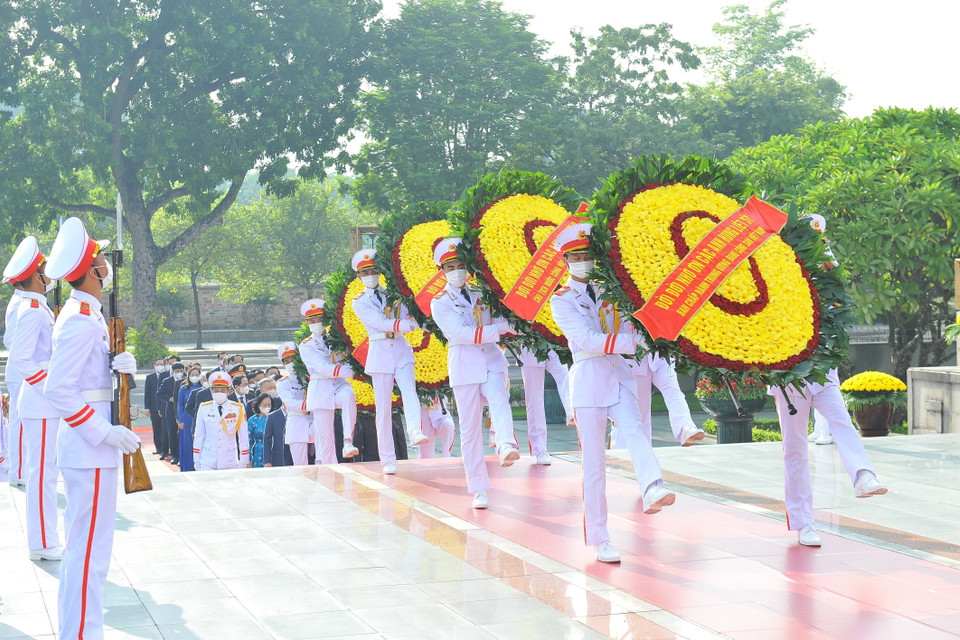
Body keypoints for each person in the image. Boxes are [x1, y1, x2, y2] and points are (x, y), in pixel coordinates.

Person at [549, 223, 675, 563]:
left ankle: (652, 488)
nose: (582, 262)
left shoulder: (610, 290)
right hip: (588, 378)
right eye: (575, 257)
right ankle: (600, 537)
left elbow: (630, 322)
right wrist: (632, 342)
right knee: (594, 464)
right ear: (565, 261)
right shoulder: (560, 300)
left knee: (635, 431)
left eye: (587, 256)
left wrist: (645, 333)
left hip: (619, 374)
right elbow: (588, 339)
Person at [43, 216, 141, 639]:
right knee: (88, 555)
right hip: (90, 446)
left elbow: (87, 380)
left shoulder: (89, 315)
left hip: (93, 446)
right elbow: (58, 389)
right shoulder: (80, 319)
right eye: (102, 258)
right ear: (92, 270)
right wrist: (103, 433)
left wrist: (119, 369)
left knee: (90, 552)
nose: (107, 263)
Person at [430, 238, 522, 509]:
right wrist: (500, 329)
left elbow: (499, 321)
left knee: (499, 400)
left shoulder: (483, 294)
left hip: (492, 360)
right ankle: (478, 487)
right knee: (470, 431)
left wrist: (517, 324)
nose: (457, 270)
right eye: (450, 267)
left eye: (460, 265)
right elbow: (459, 334)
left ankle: (506, 444)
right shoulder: (440, 302)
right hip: (465, 366)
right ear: (442, 271)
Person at [771, 368, 888, 547]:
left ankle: (863, 475)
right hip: (787, 379)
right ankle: (803, 523)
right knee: (794, 449)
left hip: (822, 373)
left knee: (842, 422)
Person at [4, 236, 62, 560]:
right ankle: (42, 543)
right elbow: (20, 359)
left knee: (45, 473)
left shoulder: (37, 306)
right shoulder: (32, 310)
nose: (49, 276)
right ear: (36, 276)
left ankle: (44, 540)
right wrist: (50, 384)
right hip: (40, 403)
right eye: (44, 270)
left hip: (43, 404)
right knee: (42, 475)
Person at [351, 249, 428, 474]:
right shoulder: (360, 302)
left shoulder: (393, 294)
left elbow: (406, 313)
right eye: (365, 272)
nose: (370, 275)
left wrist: (414, 321)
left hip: (401, 348)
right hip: (380, 350)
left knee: (409, 391)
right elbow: (381, 322)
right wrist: (408, 325)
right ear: (359, 276)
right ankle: (387, 458)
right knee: (383, 407)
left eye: (373, 270)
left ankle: (415, 430)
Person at [298, 299, 359, 464]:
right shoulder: (306, 345)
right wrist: (352, 372)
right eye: (312, 320)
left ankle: (348, 441)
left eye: (319, 319)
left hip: (339, 385)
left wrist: (353, 368)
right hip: (320, 388)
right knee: (325, 440)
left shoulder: (338, 339)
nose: (316, 323)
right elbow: (322, 367)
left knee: (348, 395)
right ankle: (329, 468)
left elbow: (347, 358)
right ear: (307, 322)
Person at [611, 354, 704, 448]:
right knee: (638, 413)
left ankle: (685, 428)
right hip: (633, 360)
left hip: (660, 357)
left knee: (672, 389)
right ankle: (628, 451)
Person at [516, 346, 573, 465]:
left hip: (552, 346)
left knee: (564, 374)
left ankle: (571, 412)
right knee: (534, 401)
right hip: (529, 351)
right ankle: (540, 449)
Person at [193, 371, 249, 470]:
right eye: (216, 390)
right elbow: (199, 435)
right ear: (211, 391)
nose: (219, 393)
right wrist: (197, 460)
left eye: (222, 390)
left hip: (229, 459)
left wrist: (243, 461)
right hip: (208, 458)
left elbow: (243, 436)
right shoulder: (204, 408)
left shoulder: (238, 408)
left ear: (228, 391)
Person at [275, 343, 314, 466]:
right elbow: (290, 403)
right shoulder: (283, 383)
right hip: (296, 422)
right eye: (287, 361)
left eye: (293, 359)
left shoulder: (311, 377)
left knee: (323, 460)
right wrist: (315, 404)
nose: (290, 363)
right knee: (300, 465)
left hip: (314, 420)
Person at [3, 286, 24, 487]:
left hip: (23, 371)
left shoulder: (23, 301)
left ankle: (21, 469)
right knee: (20, 421)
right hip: (21, 372)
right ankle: (18, 471)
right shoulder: (20, 303)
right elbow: (10, 340)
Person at [157, 361, 185, 465]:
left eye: (181, 371)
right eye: (177, 371)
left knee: (181, 434)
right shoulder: (167, 381)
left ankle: (182, 454)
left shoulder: (185, 380)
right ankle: (175, 455)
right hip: (170, 410)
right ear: (172, 371)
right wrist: (169, 398)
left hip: (182, 410)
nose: (179, 373)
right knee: (172, 434)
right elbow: (159, 394)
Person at [177, 366, 203, 472]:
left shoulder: (203, 388)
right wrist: (180, 420)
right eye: (192, 375)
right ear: (188, 376)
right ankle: (187, 467)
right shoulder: (184, 388)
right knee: (187, 442)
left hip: (200, 417)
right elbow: (180, 405)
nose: (194, 377)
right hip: (187, 418)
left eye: (197, 375)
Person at [143, 358, 164, 455]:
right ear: (154, 366)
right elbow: (147, 393)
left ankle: (165, 448)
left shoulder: (166, 376)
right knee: (156, 427)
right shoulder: (150, 377)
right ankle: (158, 447)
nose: (160, 366)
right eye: (158, 364)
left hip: (164, 407)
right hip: (153, 406)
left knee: (165, 428)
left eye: (161, 364)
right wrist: (147, 408)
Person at [247, 393, 272, 468]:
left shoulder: (274, 418)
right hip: (258, 453)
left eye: (269, 405)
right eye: (265, 405)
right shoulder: (253, 420)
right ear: (259, 405)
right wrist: (248, 459)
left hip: (273, 452)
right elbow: (249, 441)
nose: (267, 407)